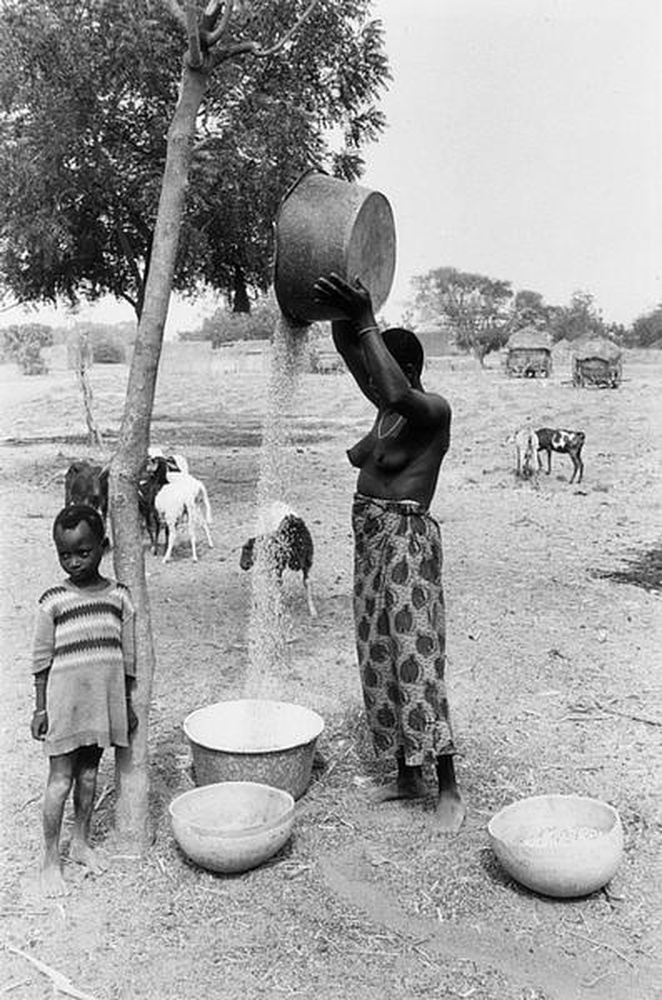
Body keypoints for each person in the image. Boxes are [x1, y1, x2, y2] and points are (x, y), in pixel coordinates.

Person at [313, 273, 465, 832]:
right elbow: (356, 357)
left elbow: (395, 387)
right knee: (379, 655)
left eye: (379, 372)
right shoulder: (385, 409)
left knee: (415, 655)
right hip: (371, 541)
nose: (371, 383)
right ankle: (407, 773)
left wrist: (368, 318)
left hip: (405, 542)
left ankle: (448, 786)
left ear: (405, 371)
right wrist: (337, 312)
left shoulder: (429, 410)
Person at [31, 504, 137, 895]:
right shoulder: (53, 601)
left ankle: (81, 842)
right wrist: (41, 708)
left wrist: (126, 705)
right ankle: (50, 860)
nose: (74, 561)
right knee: (60, 780)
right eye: (65, 554)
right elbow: (41, 660)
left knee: (89, 776)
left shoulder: (120, 598)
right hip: (64, 707)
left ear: (103, 547)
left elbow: (128, 659)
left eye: (83, 552)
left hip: (100, 706)